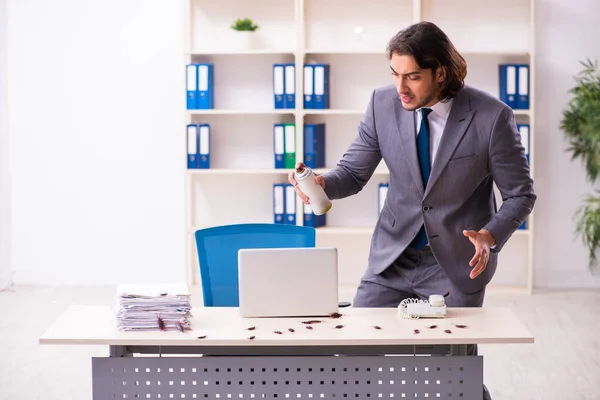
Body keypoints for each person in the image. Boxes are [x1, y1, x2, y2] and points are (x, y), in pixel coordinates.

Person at [289, 21, 535, 400]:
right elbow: (353, 173)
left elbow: (520, 194)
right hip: (392, 259)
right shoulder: (382, 104)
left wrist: (489, 235)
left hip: (455, 263)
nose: (401, 87)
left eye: (413, 77)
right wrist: (324, 184)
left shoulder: (491, 116)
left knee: (451, 372)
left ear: (440, 72)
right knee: (352, 357)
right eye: (395, 74)